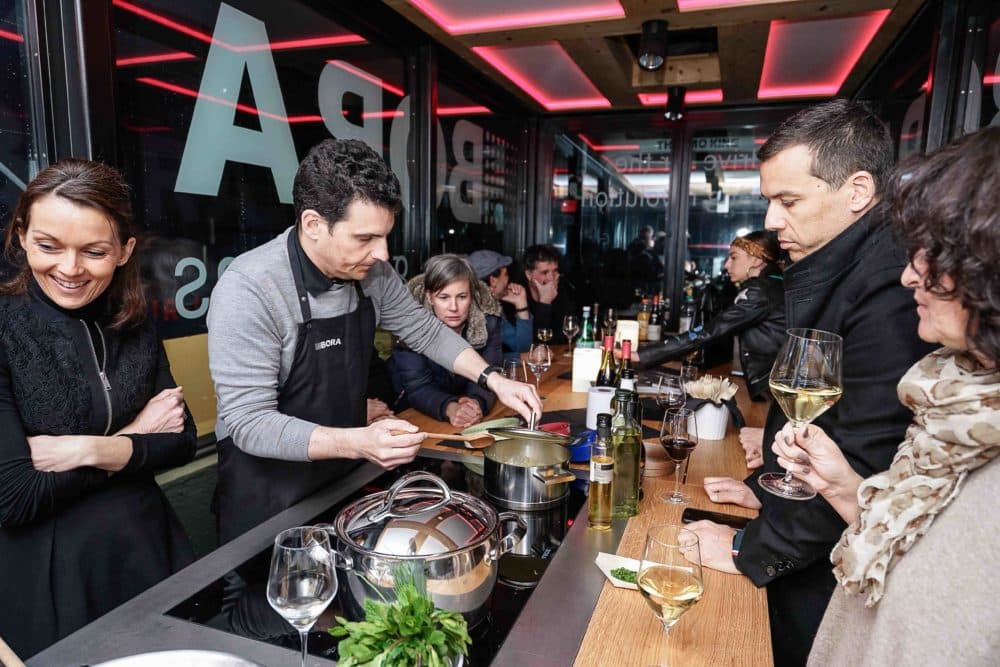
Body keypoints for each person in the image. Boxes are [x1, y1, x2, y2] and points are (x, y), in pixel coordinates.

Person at [684, 100, 935, 666]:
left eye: (787, 201)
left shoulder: (888, 284)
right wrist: (769, 486)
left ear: (857, 190)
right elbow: (814, 419)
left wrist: (752, 549)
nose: (771, 220)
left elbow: (866, 451)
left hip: (828, 568)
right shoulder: (845, 261)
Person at [207, 139, 541, 544]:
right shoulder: (251, 289)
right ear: (313, 224)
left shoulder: (373, 276)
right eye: (365, 238)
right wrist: (356, 440)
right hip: (268, 494)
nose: (382, 254)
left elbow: (425, 330)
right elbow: (249, 422)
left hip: (342, 479)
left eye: (385, 236)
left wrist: (492, 378)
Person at [772, 126, 1000, 667]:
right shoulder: (951, 408)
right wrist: (847, 490)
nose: (906, 276)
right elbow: (918, 549)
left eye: (933, 253)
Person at [0, 160, 197, 658]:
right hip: (49, 577)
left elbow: (181, 441)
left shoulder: (135, 321)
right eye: (48, 246)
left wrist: (87, 448)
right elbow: (15, 495)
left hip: (147, 553)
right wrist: (133, 437)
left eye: (94, 252)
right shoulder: (4, 328)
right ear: (21, 236)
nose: (69, 269)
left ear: (125, 251)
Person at [634, 230, 785, 401]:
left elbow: (710, 330)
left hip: (774, 390)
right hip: (775, 384)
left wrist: (643, 355)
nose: (727, 265)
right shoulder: (772, 285)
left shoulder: (759, 291)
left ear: (757, 260)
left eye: (734, 257)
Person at [390, 254, 503, 428]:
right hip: (413, 416)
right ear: (429, 297)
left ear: (471, 296)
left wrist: (475, 402)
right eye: (444, 297)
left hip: (466, 418)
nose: (453, 307)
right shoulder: (409, 326)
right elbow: (417, 387)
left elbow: (491, 371)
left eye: (462, 297)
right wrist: (450, 408)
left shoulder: (488, 323)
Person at [467, 249, 532, 362]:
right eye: (506, 274)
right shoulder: (468, 311)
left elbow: (522, 348)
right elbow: (476, 363)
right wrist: (519, 358)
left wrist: (521, 305)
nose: (508, 279)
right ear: (493, 281)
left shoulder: (492, 308)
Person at [522, 244, 574, 344]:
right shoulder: (517, 294)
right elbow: (533, 344)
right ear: (529, 275)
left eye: (555, 271)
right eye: (545, 272)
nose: (551, 277)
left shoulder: (561, 290)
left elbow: (565, 337)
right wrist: (544, 303)